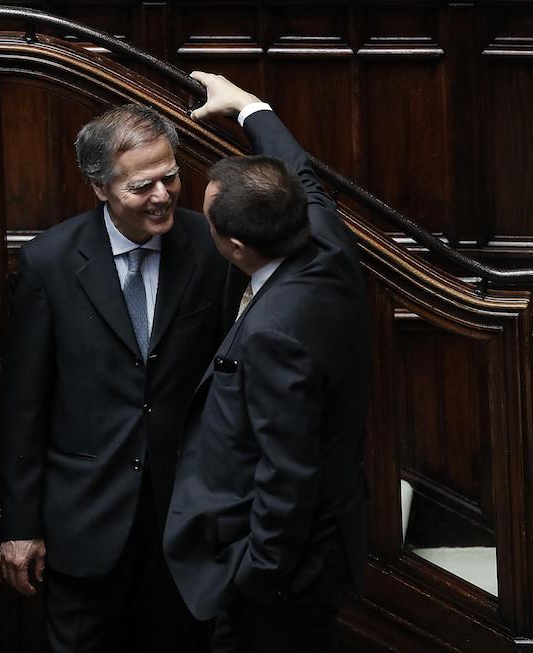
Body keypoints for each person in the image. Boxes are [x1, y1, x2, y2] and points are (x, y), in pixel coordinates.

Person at [0, 101, 240, 652]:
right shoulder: (49, 262)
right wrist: (20, 526)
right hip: (85, 518)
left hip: (184, 517)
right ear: (100, 187)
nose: (162, 195)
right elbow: (24, 405)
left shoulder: (211, 246)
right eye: (141, 186)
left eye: (170, 177)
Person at [163, 72, 371, 653]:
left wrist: (256, 575)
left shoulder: (274, 335)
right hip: (319, 540)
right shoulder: (326, 242)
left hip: (286, 579)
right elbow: (300, 172)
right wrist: (249, 107)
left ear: (234, 247)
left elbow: (289, 471)